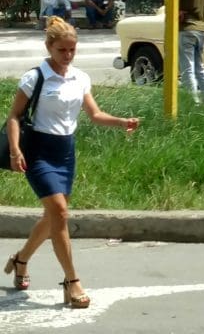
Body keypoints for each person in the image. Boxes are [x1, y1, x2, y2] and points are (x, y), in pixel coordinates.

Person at [4, 17, 139, 308]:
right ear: (49, 47)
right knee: (60, 212)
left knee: (54, 215)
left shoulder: (79, 77)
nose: (67, 56)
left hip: (66, 151)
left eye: (72, 50)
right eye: (62, 50)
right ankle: (71, 281)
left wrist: (121, 122)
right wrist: (16, 151)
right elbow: (14, 116)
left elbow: (94, 114)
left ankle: (21, 259)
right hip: (38, 151)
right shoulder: (35, 77)